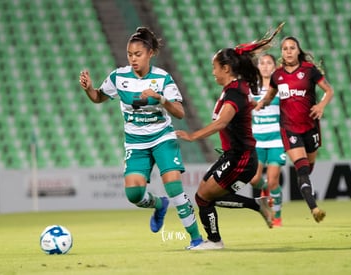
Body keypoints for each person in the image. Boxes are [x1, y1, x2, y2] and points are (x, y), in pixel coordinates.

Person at [79, 27, 203, 249]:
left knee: (174, 187)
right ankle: (159, 204)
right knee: (134, 194)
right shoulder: (118, 77)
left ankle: (196, 239)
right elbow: (98, 97)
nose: (133, 59)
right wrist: (89, 89)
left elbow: (179, 112)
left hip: (163, 138)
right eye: (129, 54)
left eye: (138, 54)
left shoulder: (162, 78)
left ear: (150, 53)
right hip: (136, 142)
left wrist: (160, 99)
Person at [176, 23, 284, 250]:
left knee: (203, 198)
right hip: (233, 156)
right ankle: (257, 206)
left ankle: (215, 241)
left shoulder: (234, 91)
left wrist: (192, 136)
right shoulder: (236, 88)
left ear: (226, 68)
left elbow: (223, 122)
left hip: (240, 158)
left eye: (214, 67)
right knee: (203, 197)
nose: (212, 72)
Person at [255, 36, 334, 223]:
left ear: (298, 51)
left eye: (292, 48)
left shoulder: (309, 71)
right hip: (289, 129)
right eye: (285, 48)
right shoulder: (277, 75)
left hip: (311, 128)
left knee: (309, 166)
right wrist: (262, 103)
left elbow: (329, 91)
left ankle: (307, 194)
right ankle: (314, 208)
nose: (288, 51)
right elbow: (271, 94)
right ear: (281, 53)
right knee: (302, 170)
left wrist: (321, 106)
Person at [216, 54, 286, 227]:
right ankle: (265, 192)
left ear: (274, 67)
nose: (265, 66)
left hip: (276, 139)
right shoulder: (251, 88)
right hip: (257, 139)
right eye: (261, 63)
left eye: (269, 63)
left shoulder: (280, 89)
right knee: (254, 179)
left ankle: (277, 214)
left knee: (273, 179)